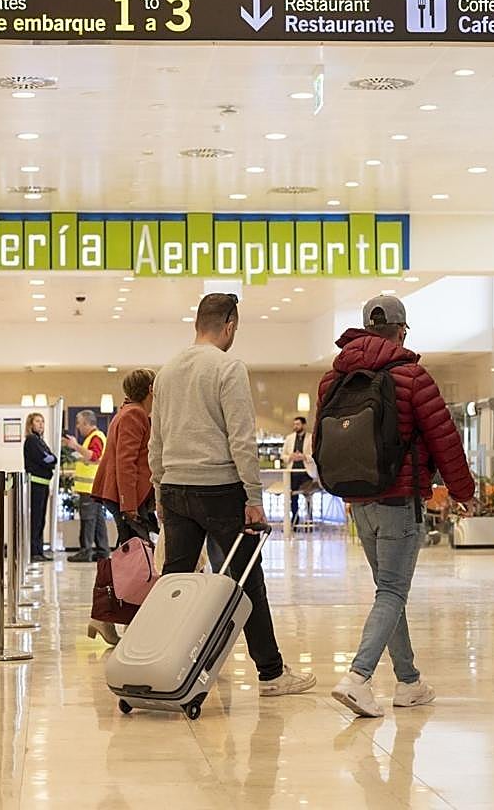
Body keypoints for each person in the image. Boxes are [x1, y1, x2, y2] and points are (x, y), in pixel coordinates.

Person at [149, 293, 317, 698]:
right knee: (246, 580)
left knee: (175, 582)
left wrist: (159, 489)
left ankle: (163, 665)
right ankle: (272, 673)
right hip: (219, 489)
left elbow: (156, 441)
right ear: (228, 326)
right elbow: (241, 438)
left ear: (196, 325)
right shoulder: (228, 367)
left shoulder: (167, 371)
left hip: (174, 488)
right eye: (235, 330)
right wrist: (254, 496)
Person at [317, 294, 476, 718]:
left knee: (388, 590)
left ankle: (409, 682)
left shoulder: (331, 380)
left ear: (367, 329)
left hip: (358, 500)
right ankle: (358, 678)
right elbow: (445, 440)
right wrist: (463, 492)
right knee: (391, 591)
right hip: (398, 500)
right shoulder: (412, 376)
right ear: (402, 330)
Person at [86, 368, 158, 646]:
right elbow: (126, 463)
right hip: (127, 498)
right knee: (135, 562)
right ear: (150, 388)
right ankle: (107, 616)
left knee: (130, 558)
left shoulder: (129, 412)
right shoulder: (134, 415)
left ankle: (105, 617)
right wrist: (130, 505)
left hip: (125, 497)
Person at [65, 410, 110, 563]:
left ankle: (86, 551)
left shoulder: (95, 437)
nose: (77, 427)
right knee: (97, 520)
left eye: (79, 423)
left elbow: (94, 456)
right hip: (94, 486)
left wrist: (76, 446)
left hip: (90, 487)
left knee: (88, 519)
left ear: (85, 423)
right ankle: (103, 551)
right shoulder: (95, 437)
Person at [23, 412, 57, 562]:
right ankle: (34, 551)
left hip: (43, 484)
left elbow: (53, 458)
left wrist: (50, 458)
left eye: (42, 421)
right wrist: (49, 458)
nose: (41, 424)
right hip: (36, 484)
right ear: (31, 424)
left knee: (41, 519)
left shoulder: (40, 441)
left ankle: (39, 550)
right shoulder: (32, 440)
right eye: (37, 421)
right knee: (36, 520)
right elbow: (45, 459)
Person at [282, 416, 312, 527]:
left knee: (308, 496)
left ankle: (309, 519)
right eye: (294, 424)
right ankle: (295, 520)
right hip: (292, 472)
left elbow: (314, 456)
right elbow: (283, 456)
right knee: (293, 497)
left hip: (306, 473)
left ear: (304, 425)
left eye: (298, 424)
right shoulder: (289, 438)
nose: (295, 426)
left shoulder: (310, 438)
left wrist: (304, 457)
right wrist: (291, 457)